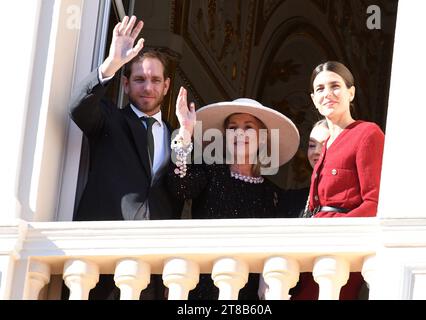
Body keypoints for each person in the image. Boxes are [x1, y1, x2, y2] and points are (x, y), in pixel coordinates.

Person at [68, 15, 182, 299]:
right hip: (101, 259)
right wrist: (112, 63)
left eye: (156, 80)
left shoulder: (178, 136)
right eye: (140, 79)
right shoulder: (109, 120)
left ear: (166, 86)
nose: (148, 87)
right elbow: (78, 107)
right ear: (126, 84)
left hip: (152, 268)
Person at [167, 87, 300, 299]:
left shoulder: (273, 195)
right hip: (203, 291)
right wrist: (184, 133)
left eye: (248, 127)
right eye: (232, 128)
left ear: (263, 138)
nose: (239, 133)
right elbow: (179, 186)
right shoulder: (210, 172)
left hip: (248, 295)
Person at [292, 60, 384, 300]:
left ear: (350, 92)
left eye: (335, 86)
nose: (327, 94)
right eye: (320, 89)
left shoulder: (367, 133)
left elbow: (373, 203)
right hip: (313, 250)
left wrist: (337, 233)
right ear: (313, 99)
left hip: (341, 251)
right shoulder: (326, 145)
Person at [277, 119, 330, 218]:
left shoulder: (348, 198)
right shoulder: (291, 200)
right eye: (312, 145)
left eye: (325, 145)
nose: (316, 151)